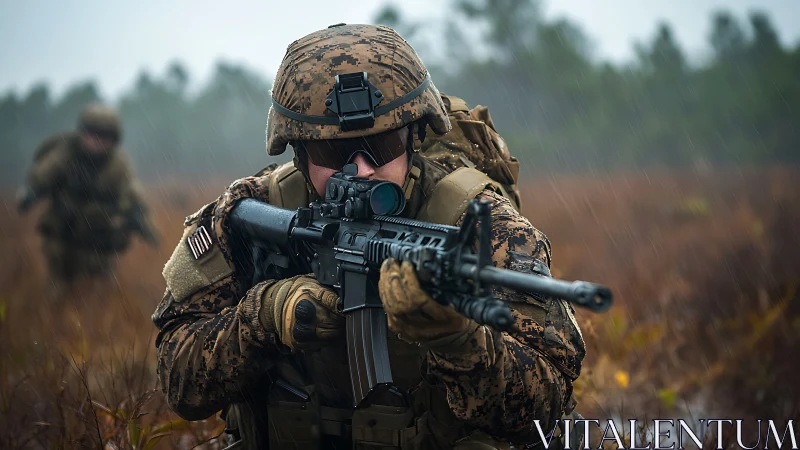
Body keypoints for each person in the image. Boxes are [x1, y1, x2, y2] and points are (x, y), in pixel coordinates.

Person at [153, 24, 585, 449]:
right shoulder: (250, 211)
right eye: (332, 153)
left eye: (382, 145)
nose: (360, 169)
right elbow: (177, 378)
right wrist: (262, 319)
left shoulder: (483, 225)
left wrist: (461, 341)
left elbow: (545, 408)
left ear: (414, 136)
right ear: (300, 153)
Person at [17, 103, 157, 293]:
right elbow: (42, 176)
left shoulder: (119, 164)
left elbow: (134, 195)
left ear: (114, 139)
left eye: (105, 136)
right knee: (59, 295)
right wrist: (30, 194)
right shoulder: (66, 154)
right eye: (93, 134)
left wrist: (146, 228)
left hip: (99, 244)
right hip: (63, 242)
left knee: (100, 297)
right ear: (83, 133)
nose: (98, 141)